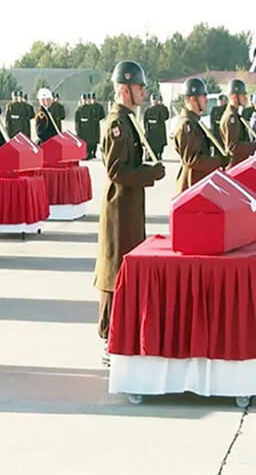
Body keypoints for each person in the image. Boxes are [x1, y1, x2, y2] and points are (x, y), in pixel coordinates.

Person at [93, 60, 165, 366]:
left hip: (130, 207)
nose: (144, 93)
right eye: (139, 87)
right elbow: (116, 170)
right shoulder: (118, 124)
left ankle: (122, 336)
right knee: (113, 273)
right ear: (125, 89)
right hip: (119, 210)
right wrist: (149, 174)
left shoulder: (128, 119)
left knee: (124, 272)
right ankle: (109, 340)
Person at [172, 78, 228, 192]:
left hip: (198, 184)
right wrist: (219, 161)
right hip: (191, 185)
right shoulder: (187, 124)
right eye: (203, 96)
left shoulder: (194, 122)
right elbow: (192, 160)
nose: (206, 100)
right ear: (193, 99)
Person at [219, 79, 256, 166]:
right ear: (234, 96)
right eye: (242, 94)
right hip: (235, 165)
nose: (245, 97)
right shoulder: (231, 117)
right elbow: (233, 147)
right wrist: (255, 146)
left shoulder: (234, 114)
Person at [142, 93, 170, 160]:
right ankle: (149, 155)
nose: (154, 101)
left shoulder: (161, 108)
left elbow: (166, 117)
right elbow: (145, 120)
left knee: (159, 144)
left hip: (159, 130)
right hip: (151, 131)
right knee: (150, 145)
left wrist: (162, 106)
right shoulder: (148, 110)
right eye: (153, 99)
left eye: (156, 100)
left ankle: (159, 154)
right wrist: (146, 129)